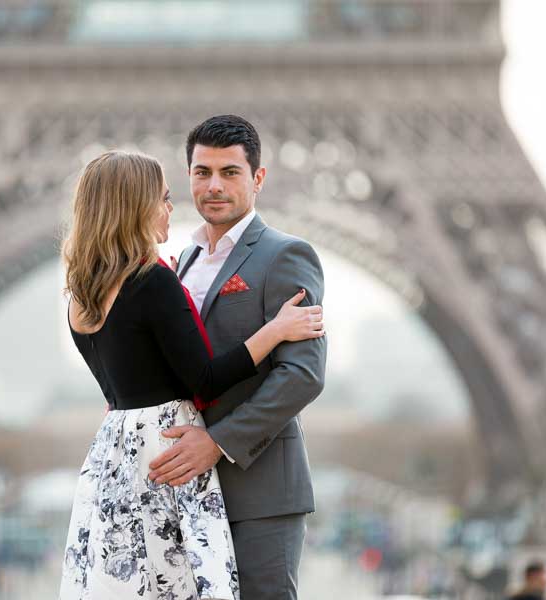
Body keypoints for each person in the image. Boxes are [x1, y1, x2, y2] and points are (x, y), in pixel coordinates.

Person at [58, 150, 325, 599]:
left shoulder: (80, 297)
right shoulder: (157, 278)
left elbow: (121, 384)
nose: (170, 208)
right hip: (171, 454)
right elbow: (203, 380)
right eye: (163, 199)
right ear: (135, 206)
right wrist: (275, 329)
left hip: (118, 458)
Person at [147, 115, 327, 599]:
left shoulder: (286, 256)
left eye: (230, 172)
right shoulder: (181, 262)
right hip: (184, 491)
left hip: (261, 491)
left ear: (258, 179)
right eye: (202, 172)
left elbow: (302, 376)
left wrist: (217, 442)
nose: (214, 185)